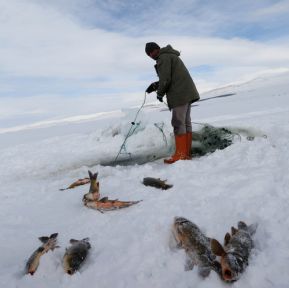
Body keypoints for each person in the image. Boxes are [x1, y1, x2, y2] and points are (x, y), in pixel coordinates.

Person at [145, 42, 200, 164]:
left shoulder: (163, 58)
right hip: (187, 92)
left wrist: (160, 93)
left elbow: (166, 79)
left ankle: (180, 155)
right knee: (185, 122)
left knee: (178, 123)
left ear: (156, 49)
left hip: (179, 94)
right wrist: (155, 86)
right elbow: (170, 76)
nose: (150, 56)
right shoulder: (170, 55)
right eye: (148, 55)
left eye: (150, 52)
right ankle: (186, 153)